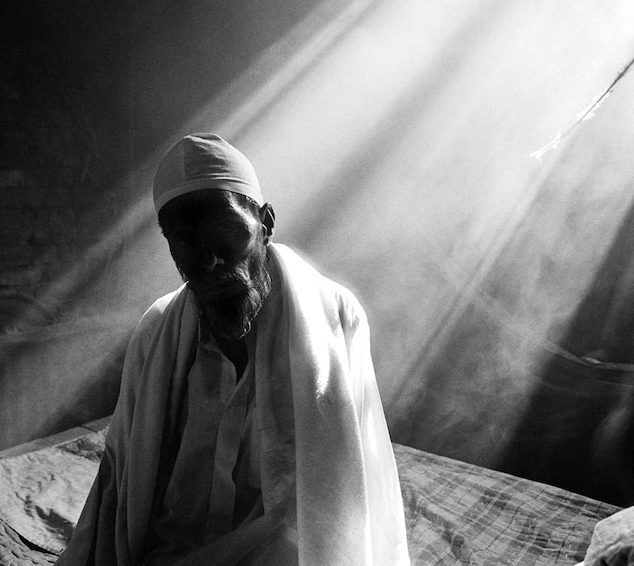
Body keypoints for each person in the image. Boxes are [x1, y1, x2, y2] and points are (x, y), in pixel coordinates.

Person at [58, 133, 410, 566]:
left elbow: (357, 479)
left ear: (265, 224)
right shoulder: (157, 333)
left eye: (224, 231)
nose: (208, 261)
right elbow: (121, 479)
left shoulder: (336, 319)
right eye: (185, 240)